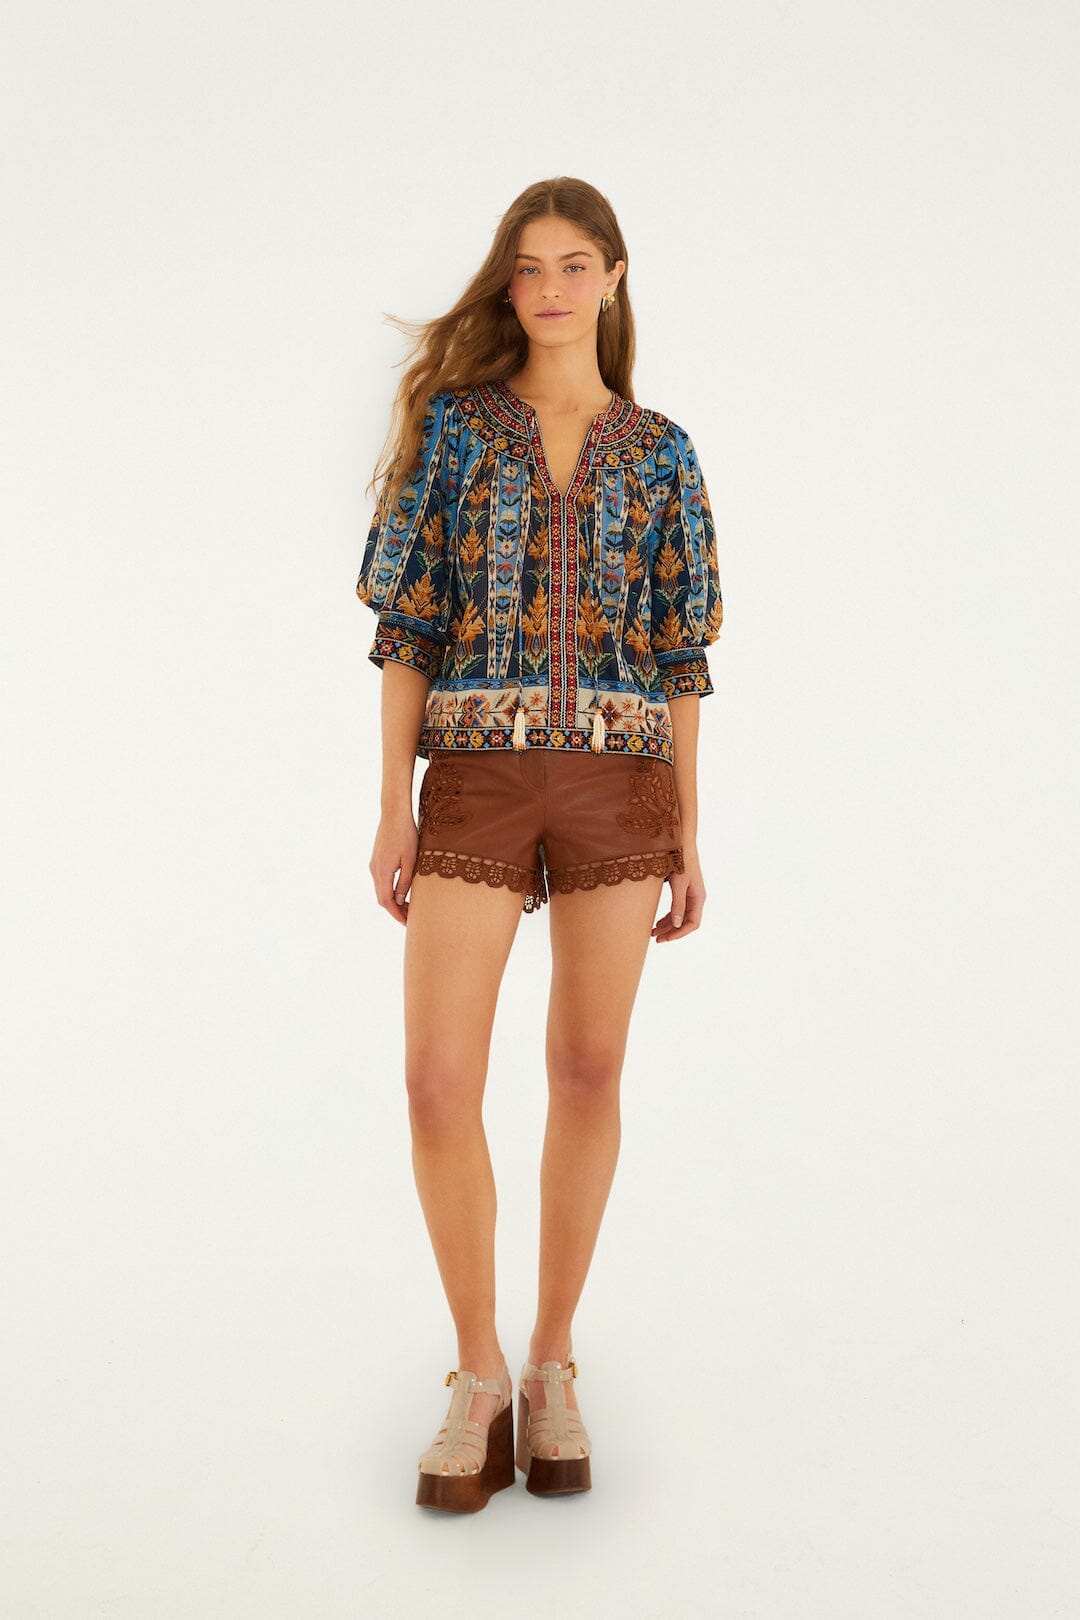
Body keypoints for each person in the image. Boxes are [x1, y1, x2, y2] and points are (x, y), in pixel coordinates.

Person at [355, 176, 723, 1512]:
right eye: (528, 267)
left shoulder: (663, 451)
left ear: (614, 277)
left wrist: (689, 827)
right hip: (476, 778)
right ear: (506, 285)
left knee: (588, 1067)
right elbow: (407, 626)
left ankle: (553, 1359)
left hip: (624, 784)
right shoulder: (456, 432)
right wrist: (392, 803)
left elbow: (682, 656)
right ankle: (477, 1371)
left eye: (575, 264)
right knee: (437, 1082)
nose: (551, 288)